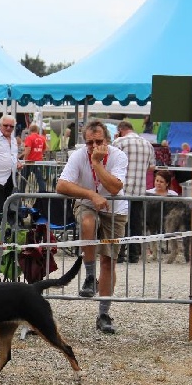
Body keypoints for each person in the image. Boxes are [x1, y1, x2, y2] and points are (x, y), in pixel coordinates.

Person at [56, 120, 128, 334]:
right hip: (88, 204)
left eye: (99, 142)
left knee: (108, 262)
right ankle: (89, 276)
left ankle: (104, 313)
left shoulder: (118, 156)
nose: (94, 146)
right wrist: (91, 194)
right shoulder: (78, 156)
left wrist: (97, 163)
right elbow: (61, 185)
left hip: (115, 210)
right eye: (89, 142)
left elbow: (115, 187)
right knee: (88, 222)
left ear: (107, 140)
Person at [113, 120, 155, 264]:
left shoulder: (119, 142)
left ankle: (119, 254)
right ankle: (134, 255)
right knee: (136, 223)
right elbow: (151, 167)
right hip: (139, 189)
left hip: (121, 190)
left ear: (120, 130)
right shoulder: (148, 144)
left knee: (119, 222)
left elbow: (110, 161)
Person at [20, 123, 48, 193]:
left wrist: (24, 160)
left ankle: (20, 193)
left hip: (29, 161)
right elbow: (46, 148)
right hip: (38, 161)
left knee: (23, 179)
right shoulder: (42, 138)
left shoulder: (29, 138)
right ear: (37, 130)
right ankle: (43, 194)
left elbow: (28, 150)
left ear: (30, 130)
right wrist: (39, 153)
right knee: (40, 179)